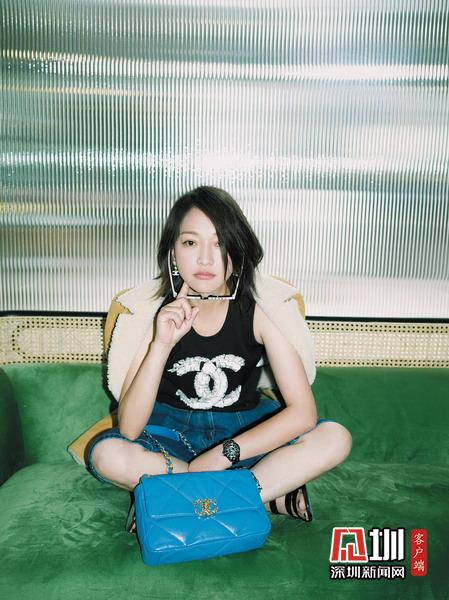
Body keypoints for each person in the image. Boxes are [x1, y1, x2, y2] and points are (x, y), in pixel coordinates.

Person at [87, 186, 352, 532]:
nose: (205, 259)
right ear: (172, 252)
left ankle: (170, 497)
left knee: (334, 437)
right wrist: (161, 344)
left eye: (219, 243)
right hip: (169, 433)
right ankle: (255, 494)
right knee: (107, 455)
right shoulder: (152, 312)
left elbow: (303, 413)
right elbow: (130, 428)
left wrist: (226, 453)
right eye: (190, 242)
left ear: (237, 251)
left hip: (244, 431)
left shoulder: (261, 310)